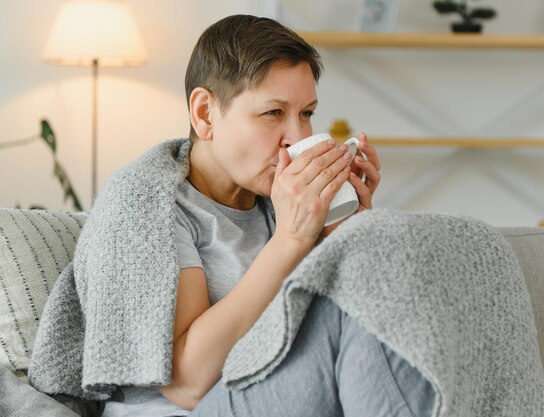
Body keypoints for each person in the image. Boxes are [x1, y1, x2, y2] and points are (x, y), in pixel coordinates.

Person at [93, 13, 434, 417]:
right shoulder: (147, 205)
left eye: (306, 113)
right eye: (273, 113)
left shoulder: (279, 204)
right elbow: (187, 384)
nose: (298, 136)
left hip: (279, 391)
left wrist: (346, 232)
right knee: (354, 319)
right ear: (205, 114)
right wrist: (292, 240)